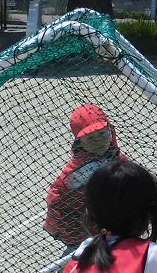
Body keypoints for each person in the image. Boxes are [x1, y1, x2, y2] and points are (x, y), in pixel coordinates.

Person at [44, 104, 125, 248]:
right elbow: (56, 198)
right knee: (82, 253)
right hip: (71, 219)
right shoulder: (82, 169)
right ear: (80, 142)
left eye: (102, 134)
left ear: (109, 130)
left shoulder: (111, 153)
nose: (98, 141)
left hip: (95, 216)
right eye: (90, 138)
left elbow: (127, 168)